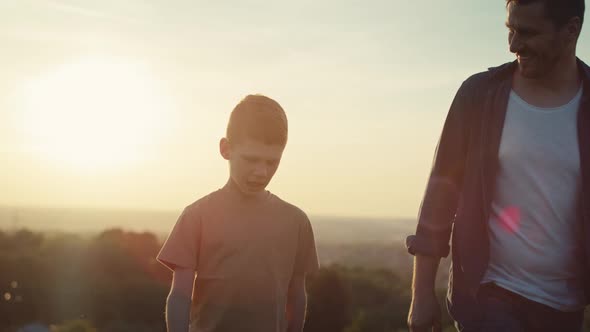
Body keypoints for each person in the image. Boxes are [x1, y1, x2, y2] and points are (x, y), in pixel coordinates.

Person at [406, 0, 589, 331]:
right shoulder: (478, 95)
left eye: (528, 32)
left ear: (571, 30)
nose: (514, 44)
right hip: (489, 297)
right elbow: (440, 195)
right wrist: (421, 295)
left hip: (566, 306)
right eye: (511, 29)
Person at [157, 94, 320, 332]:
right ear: (226, 149)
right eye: (251, 159)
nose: (261, 172)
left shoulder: (296, 222)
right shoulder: (196, 216)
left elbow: (297, 295)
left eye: (271, 162)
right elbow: (180, 296)